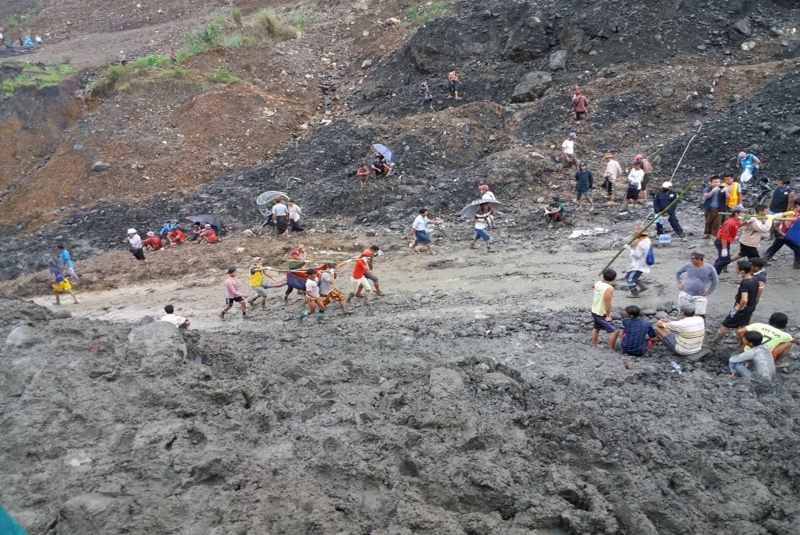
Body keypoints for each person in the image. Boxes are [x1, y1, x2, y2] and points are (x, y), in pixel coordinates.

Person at [712, 260, 760, 344]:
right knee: (741, 326)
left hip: (741, 310)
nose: (735, 270)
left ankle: (714, 343)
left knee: (724, 325)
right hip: (751, 307)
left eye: (736, 268)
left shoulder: (745, 283)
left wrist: (739, 308)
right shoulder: (755, 278)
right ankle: (741, 342)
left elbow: (744, 299)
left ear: (742, 271)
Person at [675, 252, 718, 319]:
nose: (692, 261)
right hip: (686, 293)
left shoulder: (709, 268)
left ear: (700, 259)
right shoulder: (688, 265)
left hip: (699, 295)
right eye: (691, 259)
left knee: (700, 315)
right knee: (684, 313)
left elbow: (715, 281)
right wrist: (679, 283)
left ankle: (702, 327)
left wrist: (709, 291)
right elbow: (678, 273)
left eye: (694, 260)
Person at [763, 198, 800, 269]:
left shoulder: (796, 213)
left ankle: (763, 259)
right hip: (785, 234)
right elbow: (787, 226)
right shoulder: (792, 214)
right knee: (797, 248)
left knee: (775, 246)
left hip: (784, 233)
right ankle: (797, 264)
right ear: (798, 206)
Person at [590, 269, 620, 349]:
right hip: (600, 312)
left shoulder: (598, 283)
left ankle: (595, 344)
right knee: (615, 331)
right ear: (614, 278)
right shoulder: (609, 288)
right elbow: (608, 303)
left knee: (596, 327)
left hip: (594, 309)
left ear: (603, 276)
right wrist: (608, 315)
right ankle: (611, 349)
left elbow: (593, 286)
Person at [713, 204, 745, 274]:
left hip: (725, 242)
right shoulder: (730, 222)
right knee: (725, 260)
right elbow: (724, 236)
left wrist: (746, 223)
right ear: (736, 213)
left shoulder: (735, 220)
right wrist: (724, 248)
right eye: (742, 213)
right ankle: (712, 272)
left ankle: (714, 272)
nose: (743, 214)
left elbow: (738, 225)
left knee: (722, 259)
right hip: (722, 242)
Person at [623, 226, 651, 296]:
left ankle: (635, 293)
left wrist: (629, 249)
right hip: (640, 263)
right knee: (628, 276)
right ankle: (643, 287)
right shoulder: (646, 240)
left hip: (639, 264)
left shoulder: (642, 243)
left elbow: (637, 255)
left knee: (630, 279)